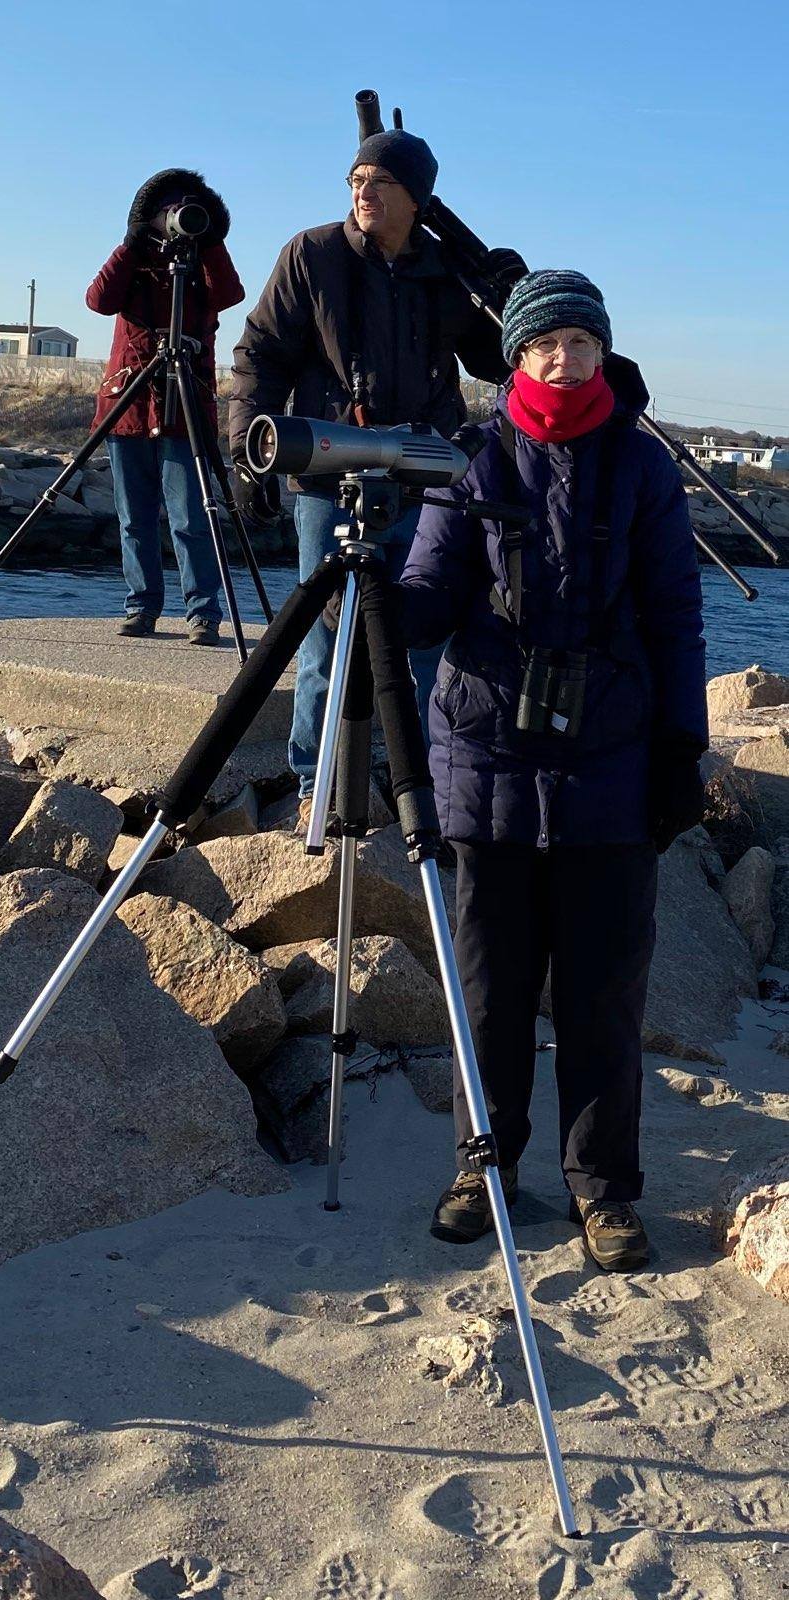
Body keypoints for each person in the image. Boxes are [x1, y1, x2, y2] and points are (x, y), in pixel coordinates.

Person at [397, 269, 707, 1271]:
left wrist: (682, 748)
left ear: (601, 351)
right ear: (515, 360)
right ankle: (480, 1170)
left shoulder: (643, 466)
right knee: (487, 990)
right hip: (484, 755)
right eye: (544, 344)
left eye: (580, 341)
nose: (564, 359)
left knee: (601, 994)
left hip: (609, 762)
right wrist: (374, 595)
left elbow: (675, 616)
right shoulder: (472, 460)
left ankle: (602, 1189)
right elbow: (428, 592)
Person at [229, 129, 526, 821]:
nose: (363, 193)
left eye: (380, 182)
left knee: (421, 634)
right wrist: (248, 450)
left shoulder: (447, 268)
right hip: (328, 469)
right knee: (326, 638)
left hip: (427, 474)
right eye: (356, 180)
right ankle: (317, 780)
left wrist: (506, 295)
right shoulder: (312, 254)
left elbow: (495, 362)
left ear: (416, 197)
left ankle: (408, 778)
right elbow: (261, 353)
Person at [86, 169, 244, 645]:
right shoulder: (134, 259)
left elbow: (229, 294)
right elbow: (99, 300)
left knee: (193, 517)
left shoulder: (204, 259)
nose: (178, 217)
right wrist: (133, 243)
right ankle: (141, 607)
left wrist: (209, 239)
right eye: (168, 210)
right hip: (129, 403)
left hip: (185, 404)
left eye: (186, 208)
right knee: (134, 518)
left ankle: (203, 613)